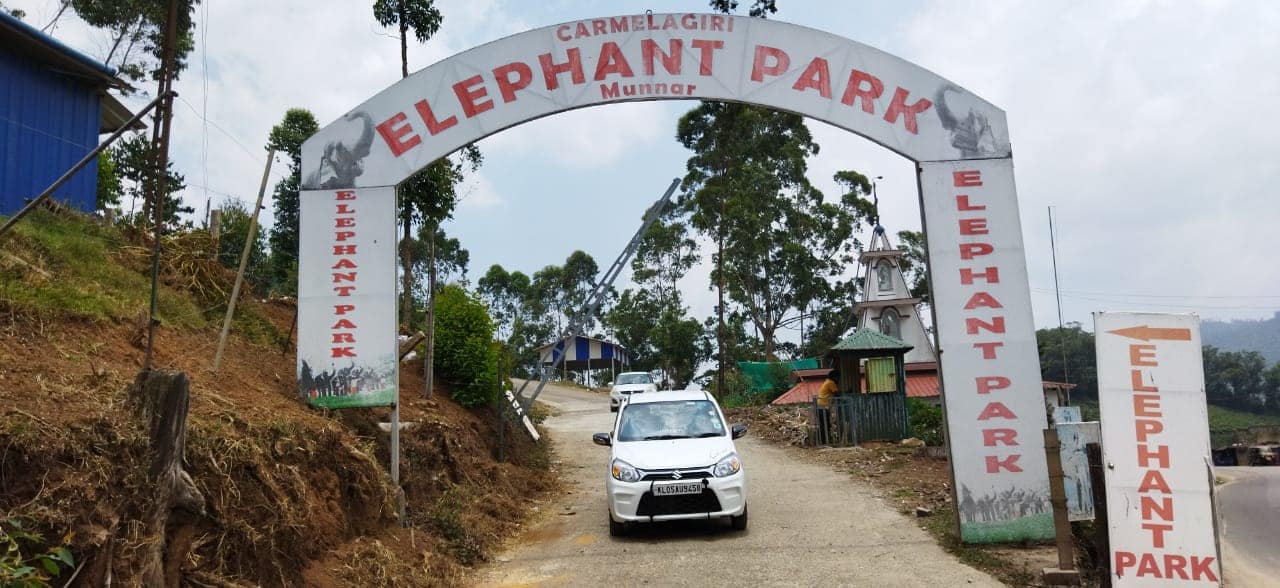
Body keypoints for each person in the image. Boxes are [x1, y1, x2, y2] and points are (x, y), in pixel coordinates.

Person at [816, 369, 840, 445]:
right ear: (834, 377)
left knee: (824, 425)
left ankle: (824, 441)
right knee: (825, 425)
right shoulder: (831, 383)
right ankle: (824, 442)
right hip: (824, 407)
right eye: (838, 377)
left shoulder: (827, 381)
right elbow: (837, 394)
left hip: (821, 406)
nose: (838, 379)